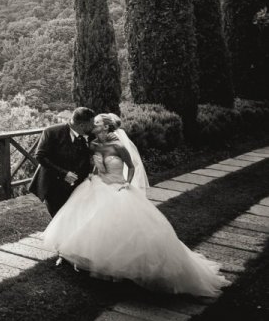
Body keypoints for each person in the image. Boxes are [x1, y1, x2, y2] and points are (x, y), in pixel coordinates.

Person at [41, 114, 229, 297]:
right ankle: (85, 258)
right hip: (95, 185)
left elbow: (131, 166)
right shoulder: (92, 142)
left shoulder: (118, 145)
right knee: (89, 224)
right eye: (92, 122)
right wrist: (89, 173)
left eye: (96, 123)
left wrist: (126, 183)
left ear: (106, 127)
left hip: (117, 186)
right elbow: (85, 159)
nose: (93, 126)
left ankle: (124, 265)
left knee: (123, 228)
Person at [29, 106, 96, 217]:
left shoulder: (89, 135)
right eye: (91, 124)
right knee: (58, 219)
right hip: (53, 186)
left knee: (74, 218)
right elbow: (40, 156)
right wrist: (63, 173)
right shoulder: (51, 132)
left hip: (76, 187)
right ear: (82, 125)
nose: (93, 126)